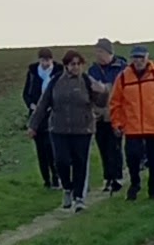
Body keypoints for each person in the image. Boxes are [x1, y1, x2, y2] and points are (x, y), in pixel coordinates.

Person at [107, 43, 154, 198]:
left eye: (141, 57)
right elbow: (115, 103)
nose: (138, 61)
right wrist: (117, 123)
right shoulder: (123, 77)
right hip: (132, 127)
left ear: (147, 58)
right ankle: (135, 183)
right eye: (135, 57)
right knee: (132, 158)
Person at [40, 50, 98, 207]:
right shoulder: (56, 81)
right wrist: (33, 125)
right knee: (61, 161)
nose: (76, 67)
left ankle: (79, 198)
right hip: (59, 129)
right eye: (73, 64)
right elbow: (44, 103)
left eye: (79, 64)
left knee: (80, 162)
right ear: (66, 65)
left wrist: (102, 91)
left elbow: (99, 102)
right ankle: (67, 188)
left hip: (82, 130)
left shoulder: (87, 81)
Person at [87, 38, 128, 197]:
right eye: (96, 52)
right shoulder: (93, 70)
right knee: (103, 147)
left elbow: (122, 90)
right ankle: (108, 178)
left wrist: (105, 88)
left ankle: (117, 177)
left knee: (114, 147)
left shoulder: (121, 68)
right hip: (99, 116)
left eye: (101, 52)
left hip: (115, 114)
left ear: (110, 53)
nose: (98, 55)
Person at [19, 50, 62, 190]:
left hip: (52, 114)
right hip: (36, 115)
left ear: (51, 60)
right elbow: (26, 93)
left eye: (48, 60)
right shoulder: (33, 73)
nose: (45, 63)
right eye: (43, 60)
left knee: (51, 147)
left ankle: (56, 177)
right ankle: (46, 180)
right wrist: (31, 105)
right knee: (40, 150)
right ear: (39, 60)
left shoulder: (58, 72)